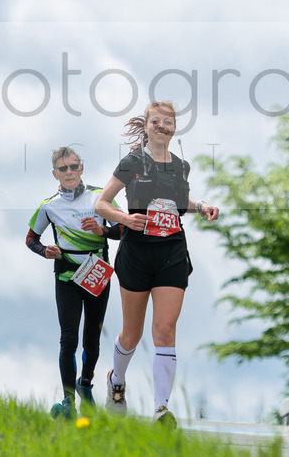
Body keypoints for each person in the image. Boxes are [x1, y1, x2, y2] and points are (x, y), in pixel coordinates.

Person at [94, 101, 220, 424]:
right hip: (137, 252)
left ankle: (161, 409)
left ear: (174, 128)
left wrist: (201, 205)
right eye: (156, 122)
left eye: (168, 122)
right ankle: (116, 382)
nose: (163, 127)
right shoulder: (133, 161)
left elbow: (179, 201)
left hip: (172, 252)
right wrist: (125, 218)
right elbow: (101, 204)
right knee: (131, 335)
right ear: (146, 125)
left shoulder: (181, 167)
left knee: (164, 328)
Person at [27, 146, 116, 418]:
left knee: (92, 339)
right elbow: (31, 239)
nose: (69, 172)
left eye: (73, 166)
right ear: (55, 173)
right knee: (68, 339)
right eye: (63, 168)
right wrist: (45, 251)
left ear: (82, 169)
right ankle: (68, 401)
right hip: (66, 276)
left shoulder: (100, 197)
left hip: (97, 273)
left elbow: (125, 230)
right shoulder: (48, 206)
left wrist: (103, 230)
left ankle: (85, 384)